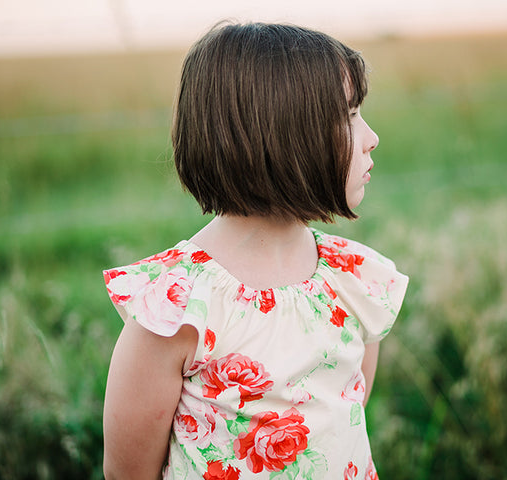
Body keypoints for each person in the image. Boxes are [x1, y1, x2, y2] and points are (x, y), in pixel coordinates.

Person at [102, 22, 408, 480]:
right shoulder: (178, 310)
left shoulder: (351, 280)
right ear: (283, 136)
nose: (371, 137)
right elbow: (128, 472)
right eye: (349, 116)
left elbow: (347, 415)